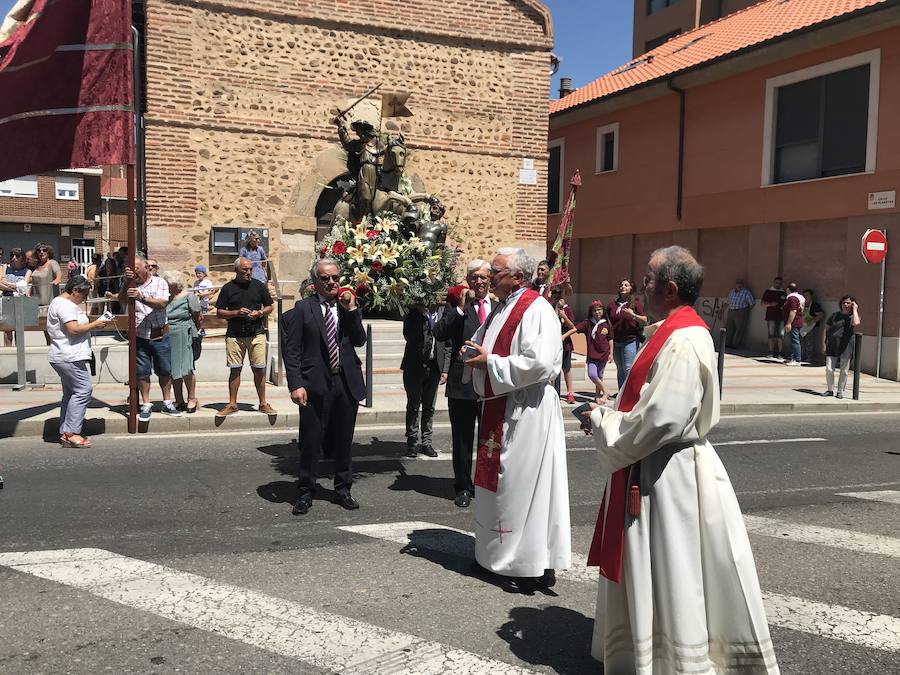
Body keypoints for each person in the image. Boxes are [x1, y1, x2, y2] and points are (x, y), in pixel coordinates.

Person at [583, 246, 778, 674]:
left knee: (675, 571)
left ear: (670, 289)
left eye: (648, 280)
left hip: (667, 476)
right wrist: (612, 416)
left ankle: (676, 663)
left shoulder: (684, 340)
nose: (641, 287)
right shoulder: (671, 331)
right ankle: (644, 652)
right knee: (659, 570)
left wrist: (602, 421)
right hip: (655, 466)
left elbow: (659, 421)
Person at [463, 247, 571, 593]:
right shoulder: (502, 308)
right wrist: (474, 352)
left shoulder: (537, 309)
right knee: (504, 485)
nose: (490, 276)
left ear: (518, 277)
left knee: (524, 488)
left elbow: (540, 364)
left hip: (527, 411)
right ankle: (498, 556)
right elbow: (484, 344)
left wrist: (490, 362)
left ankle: (528, 563)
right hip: (503, 407)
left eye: (496, 271)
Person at [282, 258, 367, 515]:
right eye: (325, 278)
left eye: (335, 278)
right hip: (315, 384)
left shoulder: (345, 307)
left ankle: (343, 489)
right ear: (314, 282)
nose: (332, 283)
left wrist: (352, 310)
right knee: (311, 440)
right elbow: (292, 351)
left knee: (344, 441)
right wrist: (296, 384)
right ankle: (306, 491)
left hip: (345, 383)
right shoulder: (302, 310)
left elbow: (359, 340)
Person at [433, 259, 493, 508]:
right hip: (463, 383)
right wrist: (459, 308)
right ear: (467, 280)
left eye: (483, 277)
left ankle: (487, 484)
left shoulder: (500, 306)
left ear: (490, 279)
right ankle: (463, 487)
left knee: (491, 437)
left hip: (492, 382)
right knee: (462, 438)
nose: (479, 281)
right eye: (474, 277)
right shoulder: (456, 305)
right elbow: (440, 333)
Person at [46, 275, 111, 447]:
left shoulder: (63, 303)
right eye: (84, 295)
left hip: (67, 355)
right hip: (69, 355)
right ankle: (71, 432)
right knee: (83, 390)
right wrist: (95, 324)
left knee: (71, 393)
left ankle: (65, 431)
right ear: (75, 290)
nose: (85, 298)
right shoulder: (64, 305)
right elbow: (73, 329)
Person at [119, 254, 180, 421]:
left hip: (159, 333)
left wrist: (142, 298)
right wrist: (126, 284)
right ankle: (146, 403)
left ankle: (167, 402)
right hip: (140, 335)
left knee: (165, 370)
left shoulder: (159, 282)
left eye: (136, 270)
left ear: (146, 268)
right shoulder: (130, 284)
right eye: (131, 271)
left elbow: (162, 304)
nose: (134, 273)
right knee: (142, 372)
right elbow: (122, 300)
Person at [215, 257, 276, 416]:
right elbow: (219, 312)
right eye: (245, 269)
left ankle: (263, 403)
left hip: (257, 334)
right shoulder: (228, 288)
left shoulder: (259, 286)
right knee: (235, 370)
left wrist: (260, 312)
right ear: (236, 270)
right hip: (235, 335)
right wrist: (236, 312)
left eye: (250, 269)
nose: (249, 272)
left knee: (259, 370)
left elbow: (270, 306)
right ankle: (232, 404)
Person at [401, 302, 449, 458]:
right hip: (415, 365)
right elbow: (409, 336)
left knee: (429, 407)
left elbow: (447, 342)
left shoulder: (443, 311)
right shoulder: (413, 314)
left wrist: (445, 368)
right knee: (414, 405)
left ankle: (426, 442)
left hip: (434, 366)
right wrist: (421, 317)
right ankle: (412, 441)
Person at [164, 270, 201, 413]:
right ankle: (179, 400)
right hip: (169, 334)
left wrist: (193, 332)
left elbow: (197, 316)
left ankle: (191, 398)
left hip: (185, 333)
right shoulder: (166, 298)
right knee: (174, 370)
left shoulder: (188, 296)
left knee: (186, 368)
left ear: (174, 284)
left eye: (168, 284)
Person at [563, 300, 612, 403]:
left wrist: (611, 353)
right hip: (592, 355)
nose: (597, 312)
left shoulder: (607, 324)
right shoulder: (587, 323)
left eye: (599, 310)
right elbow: (575, 329)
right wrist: (564, 336)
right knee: (592, 374)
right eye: (595, 311)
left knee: (599, 376)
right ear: (591, 312)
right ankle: (606, 391)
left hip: (603, 354)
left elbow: (610, 339)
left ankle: (598, 396)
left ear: (603, 311)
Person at [607, 279, 647, 391]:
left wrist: (633, 315)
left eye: (626, 285)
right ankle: (621, 393)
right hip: (616, 341)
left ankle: (631, 393)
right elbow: (608, 322)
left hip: (630, 341)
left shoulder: (636, 304)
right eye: (621, 285)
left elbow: (645, 320)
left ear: (631, 289)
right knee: (620, 369)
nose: (623, 287)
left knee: (628, 368)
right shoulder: (612, 305)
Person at [824, 295, 860, 399]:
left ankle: (840, 391)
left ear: (852, 304)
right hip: (832, 345)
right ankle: (830, 390)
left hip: (846, 346)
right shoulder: (834, 315)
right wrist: (823, 343)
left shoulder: (853, 316)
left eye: (848, 303)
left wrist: (855, 310)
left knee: (844, 370)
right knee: (829, 369)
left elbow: (856, 323)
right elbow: (826, 329)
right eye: (844, 302)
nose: (845, 304)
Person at [550, 287, 577, 403]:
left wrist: (563, 316)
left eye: (558, 294)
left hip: (565, 344)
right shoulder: (549, 308)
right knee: (551, 368)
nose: (556, 296)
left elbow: (573, 328)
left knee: (566, 369)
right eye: (554, 294)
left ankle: (570, 393)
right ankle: (552, 392)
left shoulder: (567, 309)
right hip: (552, 344)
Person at [1, 248, 31, 344]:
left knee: (19, 328)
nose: (14, 258)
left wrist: (8, 284)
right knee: (7, 328)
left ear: (22, 258)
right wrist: (16, 287)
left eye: (17, 256)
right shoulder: (5, 268)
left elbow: (24, 286)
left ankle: (19, 352)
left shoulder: (27, 271)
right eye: (12, 255)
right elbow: (0, 283)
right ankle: (8, 351)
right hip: (7, 299)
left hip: (20, 301)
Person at [724, 278, 755, 349]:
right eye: (737, 283)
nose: (739, 285)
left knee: (739, 329)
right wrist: (722, 310)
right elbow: (727, 302)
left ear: (743, 285)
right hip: (731, 311)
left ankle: (735, 344)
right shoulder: (732, 292)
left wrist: (746, 311)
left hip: (741, 311)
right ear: (735, 284)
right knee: (729, 328)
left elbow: (752, 303)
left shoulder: (746, 292)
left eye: (740, 283)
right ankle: (728, 343)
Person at [30, 243, 62, 309]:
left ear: (48, 252)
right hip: (35, 303)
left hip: (49, 304)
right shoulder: (36, 265)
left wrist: (57, 279)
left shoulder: (52, 263)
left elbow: (58, 273)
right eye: (39, 250)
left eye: (44, 250)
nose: (41, 252)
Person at [761, 276, 786, 360]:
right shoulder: (768, 292)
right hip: (771, 317)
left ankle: (780, 353)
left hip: (781, 317)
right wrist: (770, 304)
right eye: (776, 283)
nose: (778, 284)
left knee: (781, 335)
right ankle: (771, 352)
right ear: (773, 282)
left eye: (780, 283)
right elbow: (762, 303)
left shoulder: (783, 292)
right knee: (771, 335)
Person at [801, 288, 826, 365]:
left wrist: (812, 321)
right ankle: (802, 357)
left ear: (811, 296)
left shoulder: (815, 305)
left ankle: (809, 358)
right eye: (804, 295)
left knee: (809, 343)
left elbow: (821, 315)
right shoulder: (802, 304)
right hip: (802, 326)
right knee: (801, 342)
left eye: (807, 295)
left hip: (811, 327)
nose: (805, 297)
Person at [782, 282, 805, 366]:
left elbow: (793, 310)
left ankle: (797, 359)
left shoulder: (792, 298)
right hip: (797, 321)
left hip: (794, 322)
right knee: (792, 340)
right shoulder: (800, 297)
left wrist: (789, 323)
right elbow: (801, 309)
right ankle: (791, 357)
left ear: (788, 289)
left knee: (795, 340)